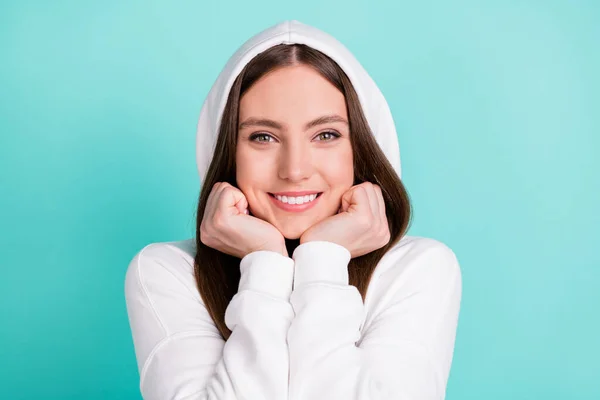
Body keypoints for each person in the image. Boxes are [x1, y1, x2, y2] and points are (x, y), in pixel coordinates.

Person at [124, 20, 462, 400]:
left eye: (326, 135)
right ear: (227, 153)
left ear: (361, 148)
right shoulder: (168, 272)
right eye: (263, 137)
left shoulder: (418, 269)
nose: (295, 170)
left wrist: (322, 260)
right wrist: (265, 262)